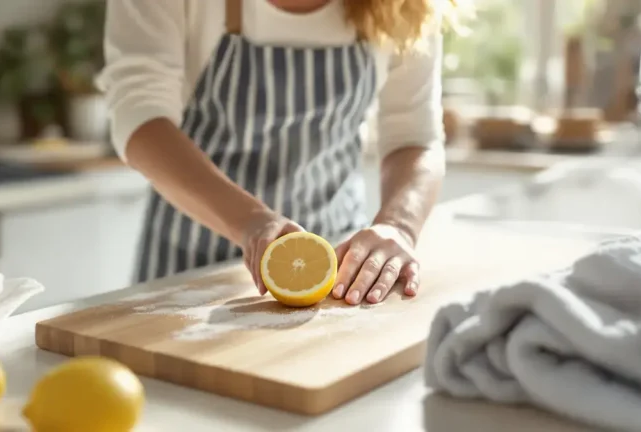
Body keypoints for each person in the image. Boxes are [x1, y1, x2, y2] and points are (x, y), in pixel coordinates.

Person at [98, 0, 458, 305]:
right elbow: (140, 117)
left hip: (335, 272)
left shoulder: (407, 6)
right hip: (186, 269)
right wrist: (251, 221)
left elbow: (415, 134)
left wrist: (398, 227)